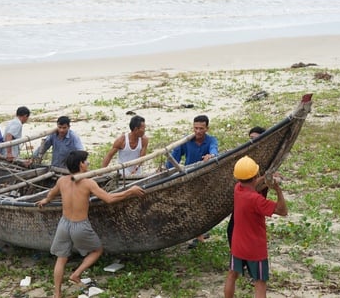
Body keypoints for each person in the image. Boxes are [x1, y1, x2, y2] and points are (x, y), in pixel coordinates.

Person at [36, 150, 144, 298]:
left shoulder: (62, 181)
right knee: (97, 251)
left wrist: (45, 201)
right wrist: (130, 191)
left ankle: (57, 294)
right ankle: (76, 274)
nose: (88, 163)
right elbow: (109, 198)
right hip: (80, 225)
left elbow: (52, 193)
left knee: (61, 259)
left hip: (64, 223)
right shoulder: (88, 183)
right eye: (86, 161)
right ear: (80, 164)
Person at [224, 155, 288, 298]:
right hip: (255, 248)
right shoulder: (257, 200)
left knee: (232, 275)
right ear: (255, 175)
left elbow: (251, 183)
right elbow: (283, 211)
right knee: (259, 283)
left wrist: (266, 178)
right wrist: (277, 189)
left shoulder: (238, 189)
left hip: (238, 244)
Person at [165, 115, 218, 247]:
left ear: (207, 128)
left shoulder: (211, 140)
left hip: (204, 178)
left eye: (201, 128)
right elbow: (174, 158)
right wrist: (167, 171)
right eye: (196, 128)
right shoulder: (186, 140)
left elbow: (214, 151)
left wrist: (211, 156)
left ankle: (198, 234)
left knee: (203, 206)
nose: (198, 131)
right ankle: (197, 234)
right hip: (188, 178)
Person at [227, 126, 268, 247]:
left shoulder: (267, 156)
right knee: (232, 229)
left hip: (255, 200)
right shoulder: (246, 155)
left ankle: (242, 262)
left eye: (256, 138)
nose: (253, 141)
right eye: (251, 139)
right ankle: (239, 260)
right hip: (243, 199)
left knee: (250, 230)